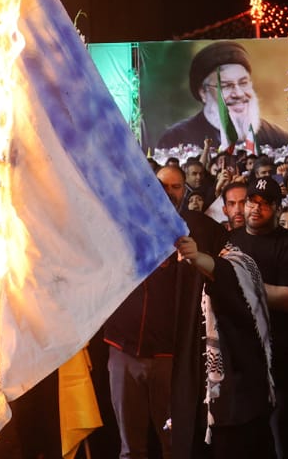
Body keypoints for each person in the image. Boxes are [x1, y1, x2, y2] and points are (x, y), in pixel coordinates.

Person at [172, 220, 275, 459]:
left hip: (238, 402)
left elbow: (227, 274)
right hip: (198, 399)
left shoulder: (237, 260)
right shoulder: (181, 271)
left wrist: (197, 257)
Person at [228, 175, 288, 459]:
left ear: (277, 208)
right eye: (252, 201)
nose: (255, 208)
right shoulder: (231, 241)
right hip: (241, 361)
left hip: (282, 362)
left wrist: (245, 284)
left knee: (284, 440)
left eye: (264, 204)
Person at [103, 165, 181, 459]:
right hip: (123, 349)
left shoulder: (183, 239)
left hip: (167, 355)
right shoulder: (116, 234)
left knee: (173, 441)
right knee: (131, 447)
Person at [156, 41, 288, 152]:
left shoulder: (278, 139)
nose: (239, 94)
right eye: (226, 86)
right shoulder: (175, 140)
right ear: (203, 93)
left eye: (244, 83)